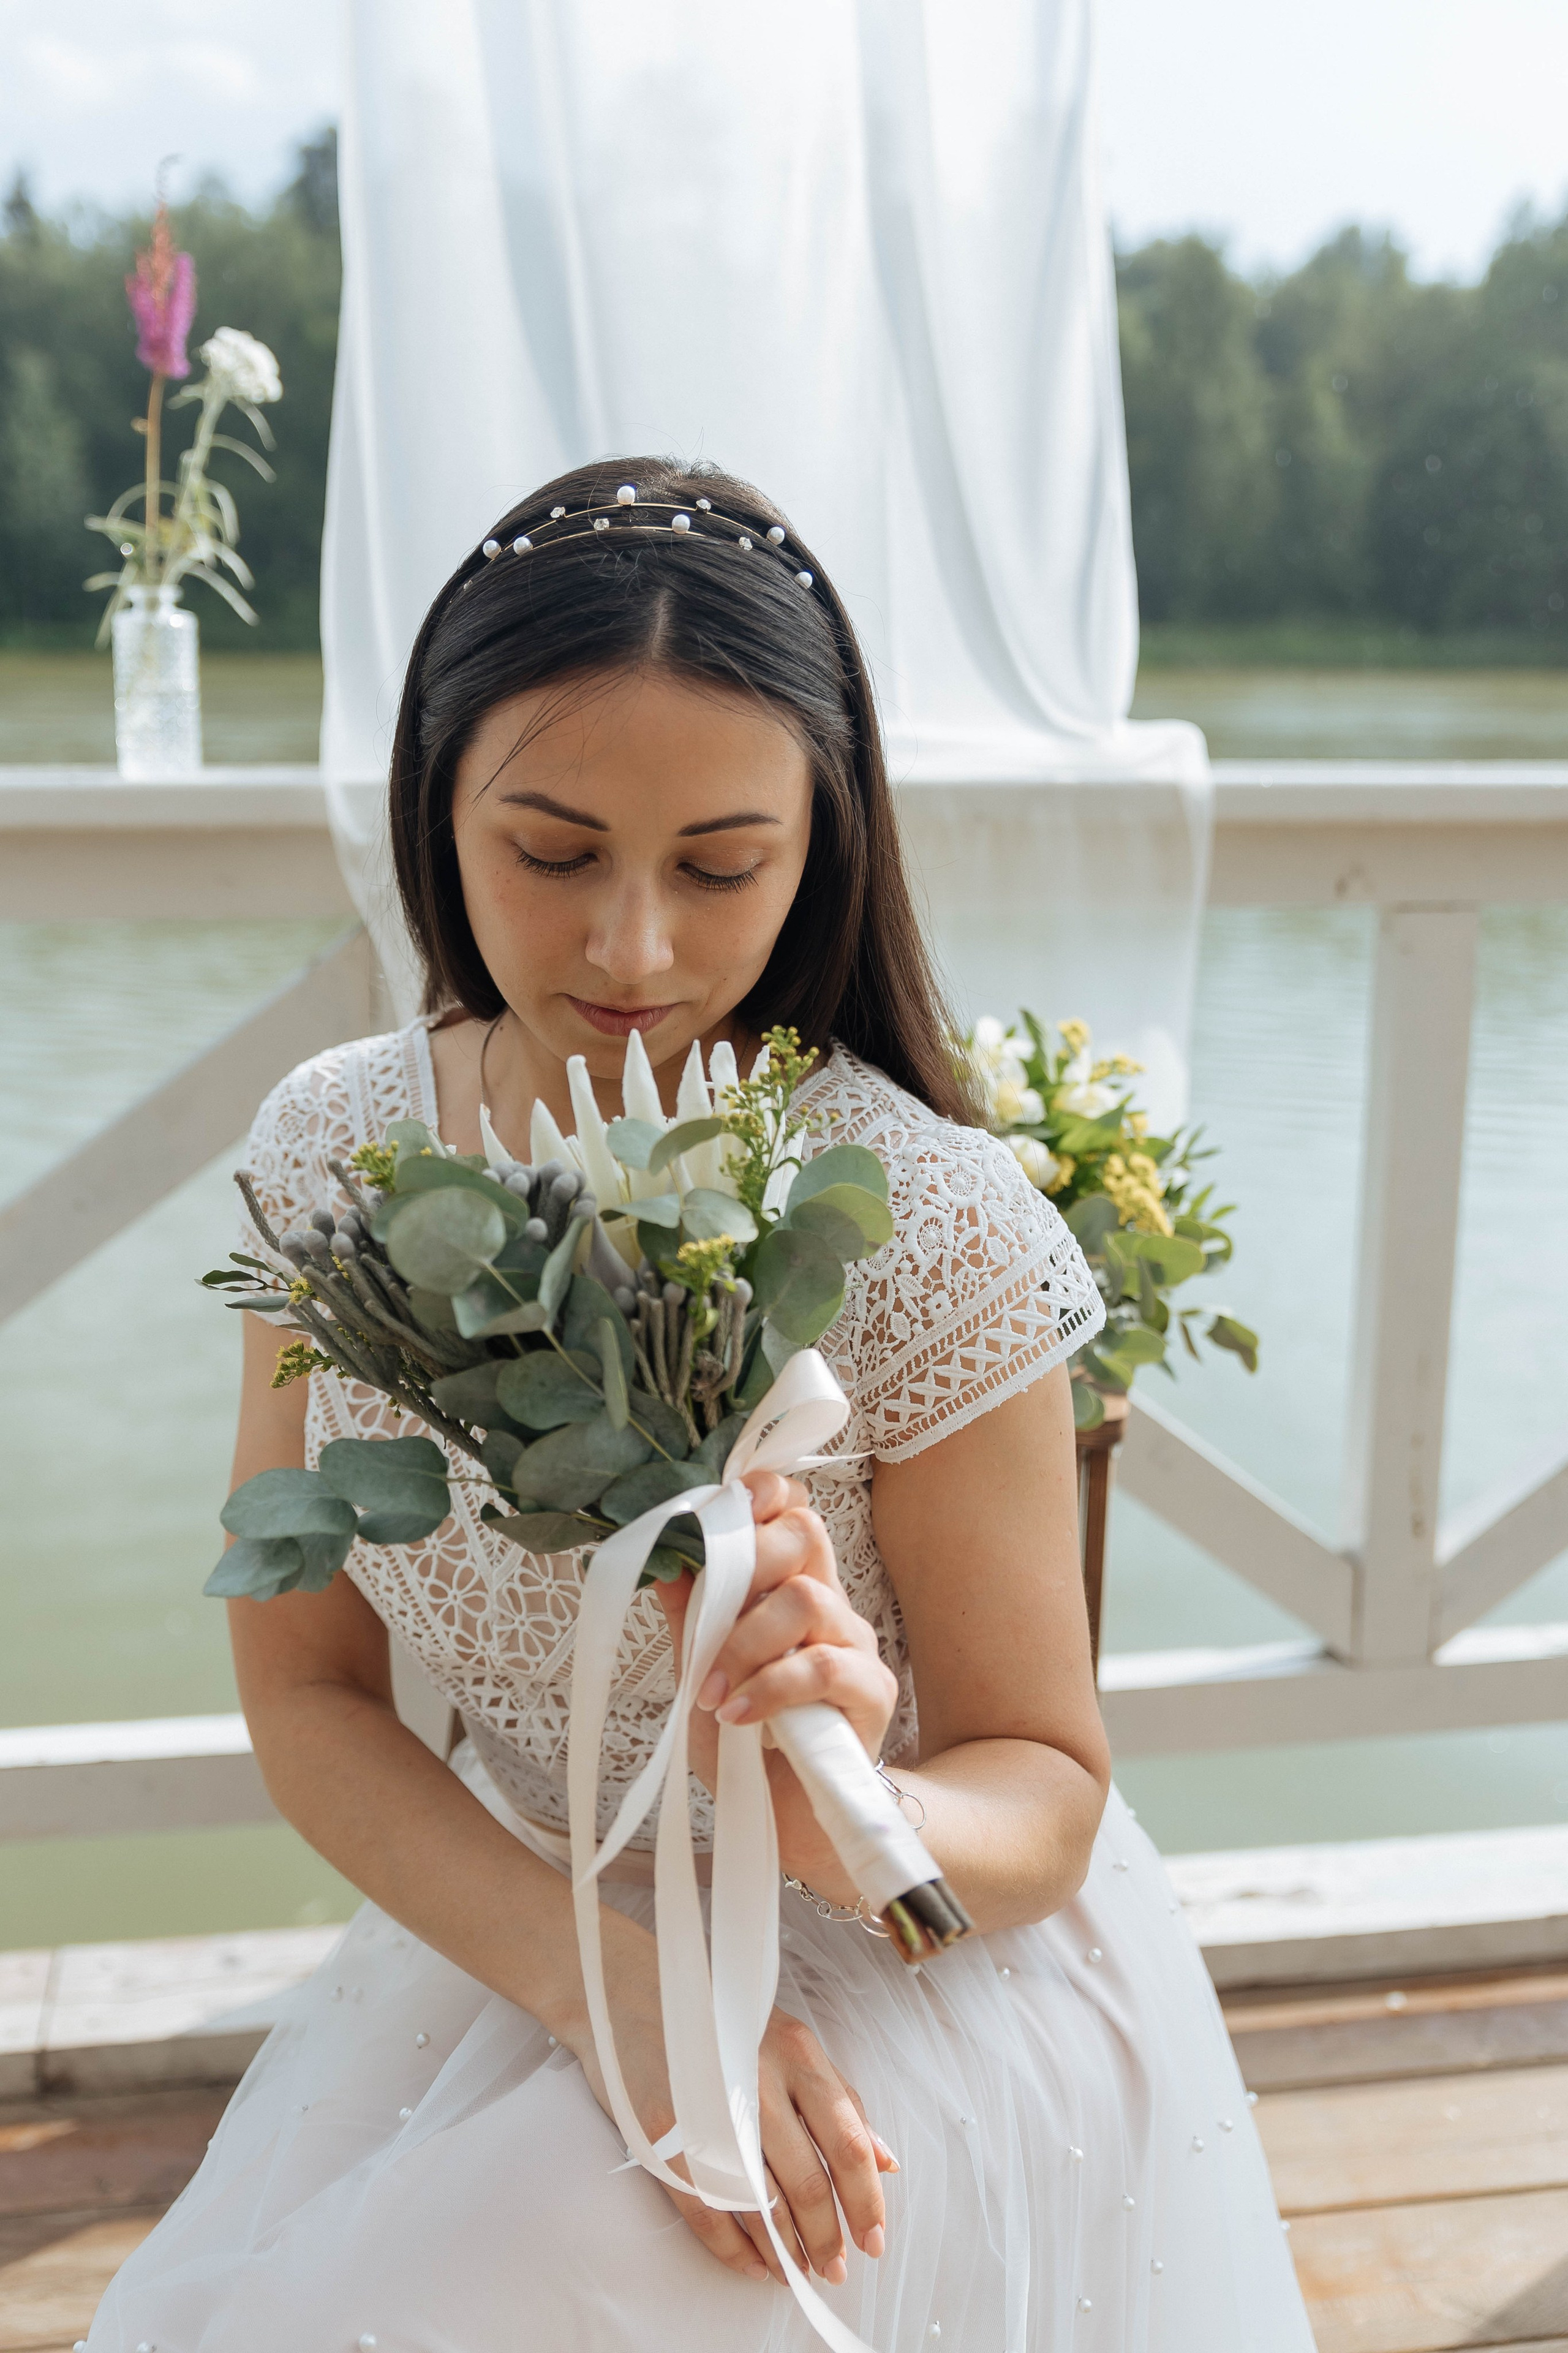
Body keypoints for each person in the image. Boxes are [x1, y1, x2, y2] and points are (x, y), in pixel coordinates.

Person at [92, 458, 1313, 2351]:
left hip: (923, 1969)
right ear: (437, 803)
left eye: (722, 865)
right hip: (536, 1929)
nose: (635, 950)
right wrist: (622, 1994)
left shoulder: (924, 1215)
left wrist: (842, 1795)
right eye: (554, 853)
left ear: (821, 839)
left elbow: (1048, 1799)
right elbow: (309, 1690)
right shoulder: (341, 1154)